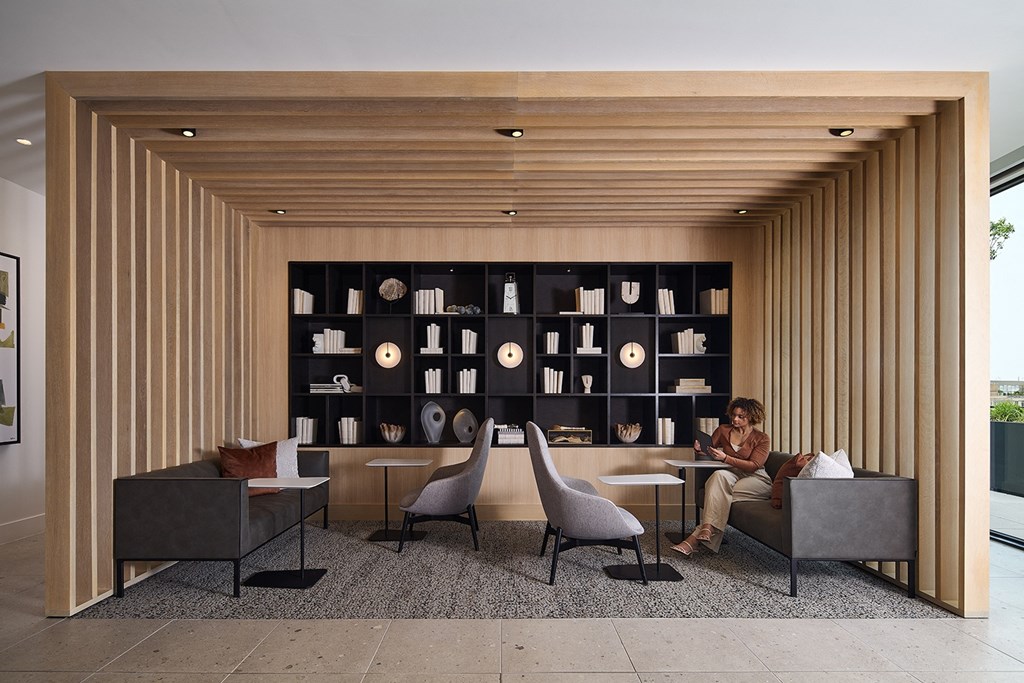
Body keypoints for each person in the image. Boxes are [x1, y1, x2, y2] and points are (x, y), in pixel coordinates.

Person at [670, 397, 771, 556]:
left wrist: (725, 458)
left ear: (752, 417)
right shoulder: (724, 430)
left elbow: (754, 465)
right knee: (718, 475)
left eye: (741, 416)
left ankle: (696, 537)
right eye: (734, 415)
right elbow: (709, 450)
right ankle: (706, 530)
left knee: (719, 496)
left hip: (756, 478)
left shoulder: (762, 438)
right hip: (730, 472)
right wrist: (699, 449)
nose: (735, 419)